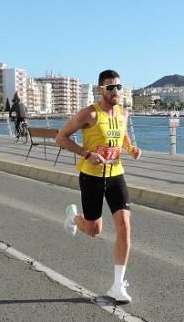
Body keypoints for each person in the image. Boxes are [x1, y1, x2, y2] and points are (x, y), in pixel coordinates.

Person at [56, 70, 142, 303]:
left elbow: (122, 137)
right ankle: (74, 217)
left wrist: (131, 149)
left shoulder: (124, 114)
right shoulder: (89, 114)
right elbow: (61, 137)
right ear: (100, 90)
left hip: (116, 175)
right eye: (110, 87)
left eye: (118, 87)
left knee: (124, 226)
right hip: (92, 176)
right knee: (94, 230)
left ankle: (117, 285)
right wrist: (86, 153)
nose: (115, 91)